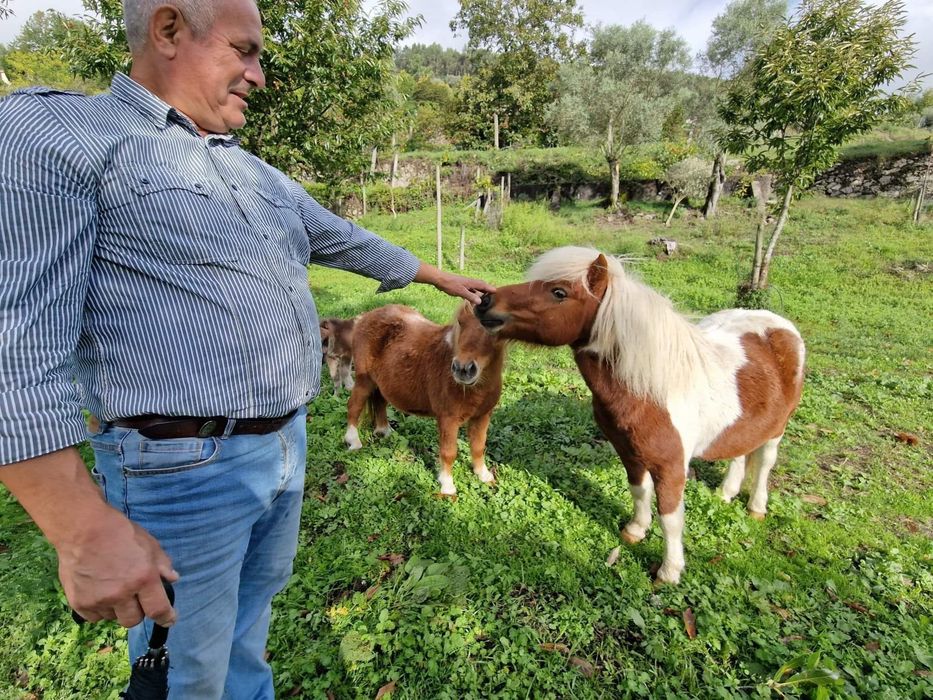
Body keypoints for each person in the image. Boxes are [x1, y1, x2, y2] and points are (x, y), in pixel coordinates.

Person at [0, 0, 494, 696]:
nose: (259, 76)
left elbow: (343, 236)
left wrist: (436, 275)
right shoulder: (63, 134)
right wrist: (78, 528)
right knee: (190, 672)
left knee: (244, 635)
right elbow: (14, 343)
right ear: (169, 30)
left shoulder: (252, 171)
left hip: (282, 447)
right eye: (245, 50)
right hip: (180, 467)